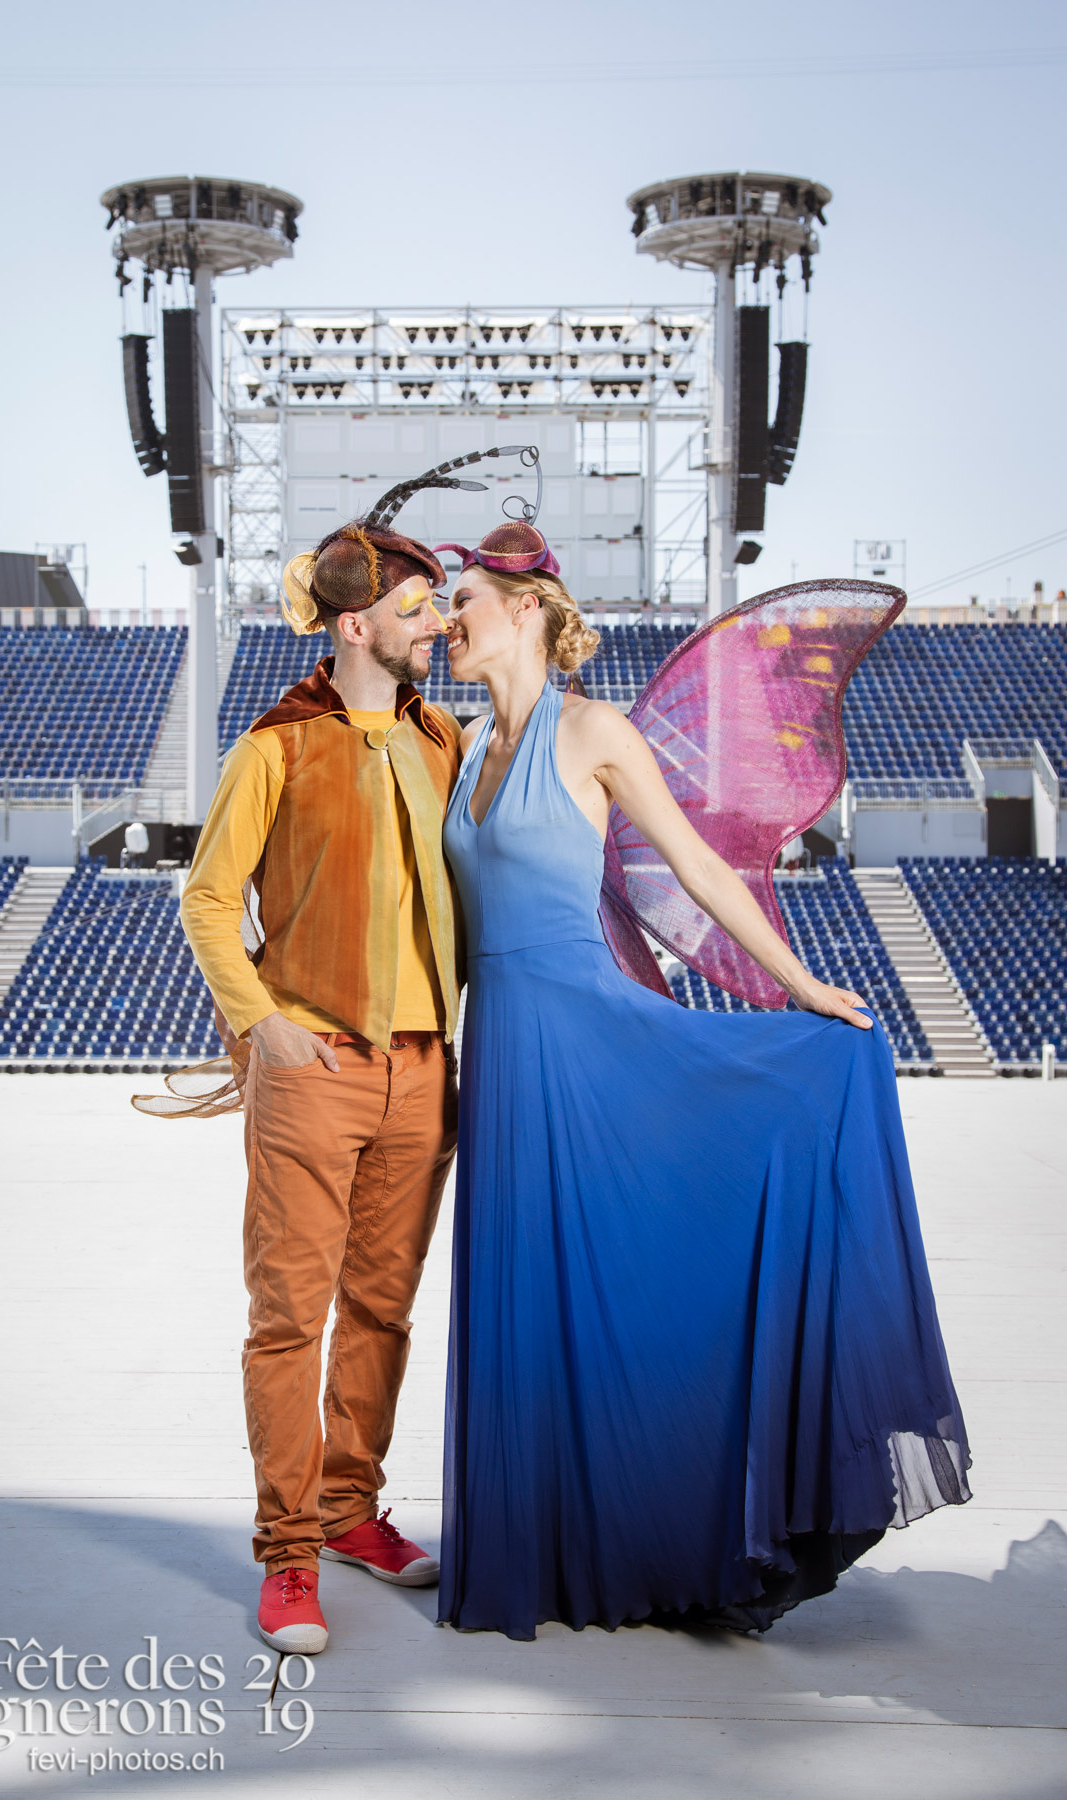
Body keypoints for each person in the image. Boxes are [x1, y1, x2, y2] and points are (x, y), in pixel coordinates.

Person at [435, 521, 970, 1641]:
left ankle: (688, 1525)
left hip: (586, 1036)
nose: (450, 620)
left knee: (641, 1273)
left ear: (526, 608)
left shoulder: (596, 734)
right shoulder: (463, 743)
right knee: (535, 1293)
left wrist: (801, 984)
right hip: (502, 1045)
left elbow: (696, 864)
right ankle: (545, 1539)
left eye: (466, 601)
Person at [174, 502, 464, 1656]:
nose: (433, 625)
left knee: (383, 1311)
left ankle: (350, 1512)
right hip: (315, 1067)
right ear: (353, 624)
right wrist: (261, 1029)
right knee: (289, 1319)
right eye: (413, 607)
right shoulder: (275, 745)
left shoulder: (445, 740)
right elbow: (206, 898)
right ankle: (289, 1551)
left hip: (424, 1074)